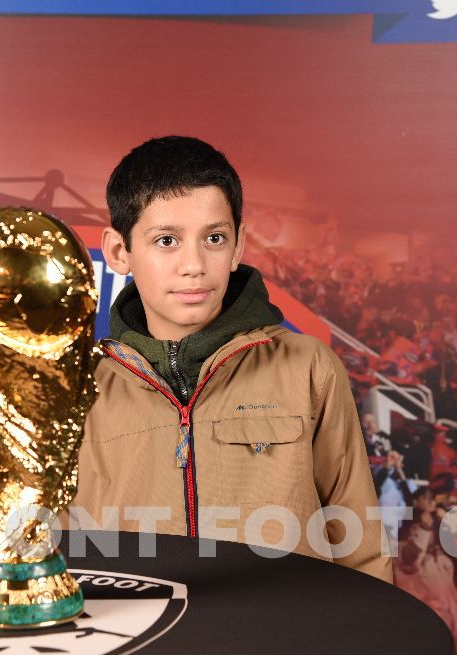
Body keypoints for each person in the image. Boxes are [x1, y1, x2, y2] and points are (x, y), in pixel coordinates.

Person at [71, 136, 391, 582]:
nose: (194, 264)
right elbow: (59, 557)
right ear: (119, 252)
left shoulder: (308, 368)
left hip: (284, 648)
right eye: (166, 240)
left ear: (238, 246)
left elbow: (360, 546)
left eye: (214, 238)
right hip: (146, 646)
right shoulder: (77, 392)